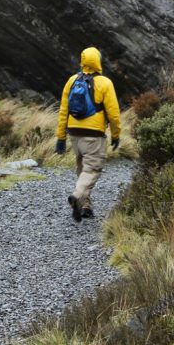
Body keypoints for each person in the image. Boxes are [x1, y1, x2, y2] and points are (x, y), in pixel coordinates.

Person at [55, 46, 121, 222]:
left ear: (82, 61)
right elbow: (113, 114)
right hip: (94, 135)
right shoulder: (105, 83)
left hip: (74, 133)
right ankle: (77, 196)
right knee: (92, 169)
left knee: (82, 168)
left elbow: (63, 111)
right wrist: (116, 135)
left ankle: (85, 207)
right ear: (98, 61)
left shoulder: (71, 81)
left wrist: (60, 138)